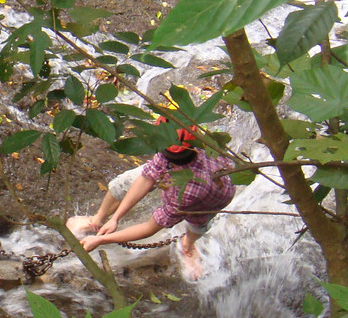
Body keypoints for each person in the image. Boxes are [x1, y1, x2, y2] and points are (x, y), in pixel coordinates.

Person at [66, 118, 235, 280]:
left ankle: (187, 245)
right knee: (121, 185)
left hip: (211, 197)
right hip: (182, 173)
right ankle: (98, 219)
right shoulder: (182, 146)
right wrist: (116, 218)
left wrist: (101, 239)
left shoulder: (187, 193)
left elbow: (150, 227)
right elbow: (146, 178)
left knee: (197, 224)